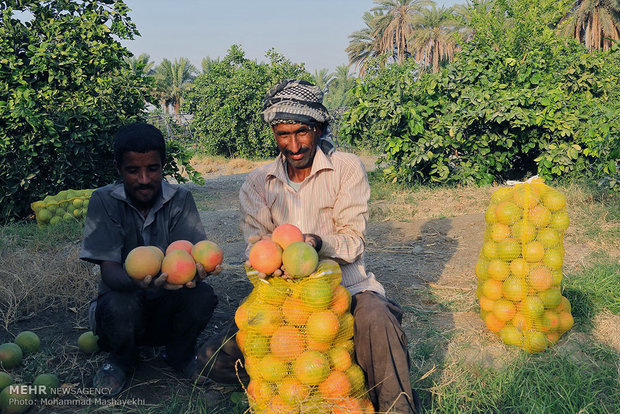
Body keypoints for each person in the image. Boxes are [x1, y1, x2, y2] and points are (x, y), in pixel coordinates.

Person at [196, 80, 421, 413]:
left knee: (377, 320)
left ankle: (396, 406)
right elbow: (256, 248)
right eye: (283, 134)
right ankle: (342, 362)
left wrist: (315, 244)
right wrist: (269, 264)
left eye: (302, 132)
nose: (294, 144)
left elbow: (353, 241)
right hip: (287, 305)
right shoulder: (258, 183)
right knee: (213, 360)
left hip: (348, 291)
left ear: (319, 128)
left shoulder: (345, 168)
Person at [80, 122, 219, 397]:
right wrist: (140, 283)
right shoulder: (103, 200)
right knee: (121, 302)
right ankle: (121, 360)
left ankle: (179, 355)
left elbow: (189, 256)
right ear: (118, 168)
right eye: (133, 170)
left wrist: (196, 272)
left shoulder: (180, 198)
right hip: (121, 312)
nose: (144, 179)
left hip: (164, 308)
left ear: (163, 165)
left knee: (203, 296)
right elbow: (109, 271)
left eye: (152, 169)